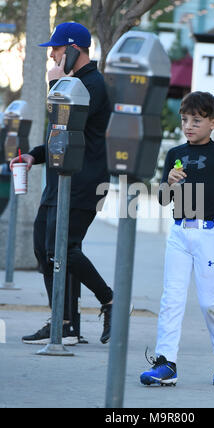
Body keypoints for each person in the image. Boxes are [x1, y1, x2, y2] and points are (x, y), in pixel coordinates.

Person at [10, 22, 113, 346]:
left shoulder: (91, 85)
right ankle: (64, 323)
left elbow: (63, 123)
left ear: (73, 50)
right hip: (59, 180)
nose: (52, 56)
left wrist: (58, 85)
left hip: (85, 181)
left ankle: (110, 300)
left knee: (63, 249)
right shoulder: (71, 83)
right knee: (45, 248)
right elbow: (57, 137)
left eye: (56, 49)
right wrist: (32, 157)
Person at [140, 91, 214, 387]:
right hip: (179, 233)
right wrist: (168, 185)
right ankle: (166, 363)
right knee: (171, 299)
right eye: (185, 119)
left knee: (210, 301)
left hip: (210, 234)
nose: (189, 125)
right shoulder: (174, 155)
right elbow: (162, 199)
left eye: (197, 120)